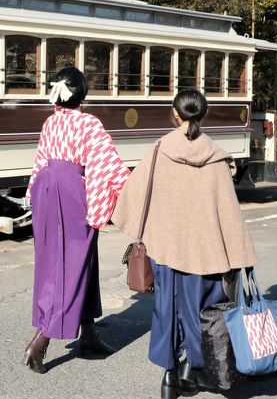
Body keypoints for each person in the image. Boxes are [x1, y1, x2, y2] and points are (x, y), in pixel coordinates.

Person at [111, 89, 257, 399]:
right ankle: (192, 369)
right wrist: (242, 255)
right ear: (203, 115)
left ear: (175, 114)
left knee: (168, 310)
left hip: (166, 249)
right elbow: (228, 211)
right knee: (203, 313)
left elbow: (135, 192)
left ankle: (169, 378)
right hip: (207, 254)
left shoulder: (160, 149)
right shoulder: (216, 156)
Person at [22, 67, 130, 374]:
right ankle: (40, 342)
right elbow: (108, 164)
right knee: (72, 265)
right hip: (72, 191)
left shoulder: (51, 122)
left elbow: (40, 161)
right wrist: (134, 190)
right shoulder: (88, 123)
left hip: (46, 188)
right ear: (81, 93)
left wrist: (35, 194)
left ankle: (89, 335)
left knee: (72, 263)